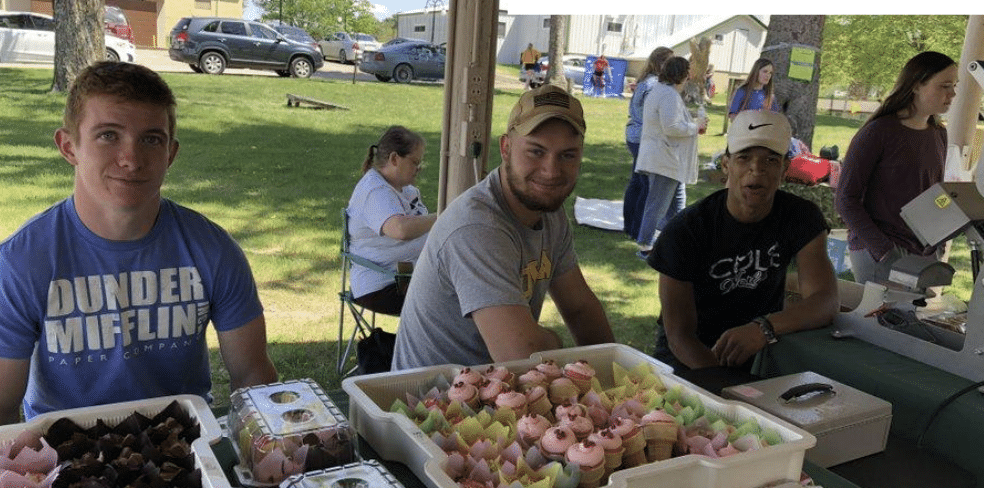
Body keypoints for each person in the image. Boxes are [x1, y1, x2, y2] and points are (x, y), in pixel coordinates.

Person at [0, 62, 278, 425]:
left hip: (185, 448)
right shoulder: (22, 261)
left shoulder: (213, 250)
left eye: (151, 139)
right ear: (69, 147)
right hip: (62, 453)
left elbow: (253, 377)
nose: (131, 160)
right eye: (108, 135)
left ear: (171, 154)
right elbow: (3, 406)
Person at [391, 84, 615, 370]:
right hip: (434, 403)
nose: (551, 171)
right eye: (536, 151)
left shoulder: (549, 213)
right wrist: (555, 343)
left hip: (502, 395)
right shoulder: (477, 228)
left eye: (567, 155)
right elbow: (522, 352)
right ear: (506, 148)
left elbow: (580, 309)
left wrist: (612, 376)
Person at [647, 110, 838, 373]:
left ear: (784, 168)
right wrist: (724, 386)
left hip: (761, 352)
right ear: (726, 165)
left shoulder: (801, 218)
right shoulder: (686, 230)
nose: (756, 170)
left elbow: (825, 302)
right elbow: (679, 337)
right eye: (744, 158)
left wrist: (763, 328)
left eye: (770, 160)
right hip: (689, 361)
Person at [835, 51, 957, 284]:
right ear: (916, 85)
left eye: (954, 85)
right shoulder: (878, 132)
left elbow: (934, 195)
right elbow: (845, 199)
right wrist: (883, 250)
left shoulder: (939, 133)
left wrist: (945, 232)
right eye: (945, 86)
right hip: (880, 252)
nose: (952, 94)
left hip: (922, 253)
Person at [347, 126, 436, 315]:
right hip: (383, 285)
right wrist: (442, 217)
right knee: (455, 302)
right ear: (394, 159)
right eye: (415, 162)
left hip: (407, 279)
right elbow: (399, 230)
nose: (419, 169)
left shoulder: (406, 190)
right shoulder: (374, 191)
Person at [634, 57, 707, 256]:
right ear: (681, 73)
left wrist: (692, 124)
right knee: (657, 205)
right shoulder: (667, 94)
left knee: (677, 205)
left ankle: (674, 242)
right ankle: (645, 246)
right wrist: (696, 126)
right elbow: (671, 127)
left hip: (668, 158)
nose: (690, 75)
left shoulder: (666, 92)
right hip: (664, 158)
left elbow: (672, 121)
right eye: (688, 71)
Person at [623, 47, 673, 242]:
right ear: (662, 64)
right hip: (643, 138)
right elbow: (654, 115)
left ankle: (630, 227)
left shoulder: (646, 81)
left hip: (634, 135)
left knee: (636, 183)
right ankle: (637, 230)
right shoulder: (654, 85)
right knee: (646, 187)